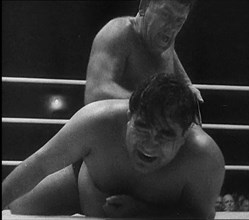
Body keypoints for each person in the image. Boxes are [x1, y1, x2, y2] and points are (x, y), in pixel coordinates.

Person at [2, 73, 225, 219]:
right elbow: (40, 164)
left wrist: (144, 212)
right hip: (82, 185)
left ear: (185, 135)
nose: (150, 143)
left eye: (165, 134)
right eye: (143, 126)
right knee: (17, 207)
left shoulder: (204, 158)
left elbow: (201, 217)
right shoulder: (97, 121)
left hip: (157, 213)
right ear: (129, 116)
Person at [84, 0, 203, 106]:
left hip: (153, 126)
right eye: (165, 15)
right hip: (118, 128)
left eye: (179, 21)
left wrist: (187, 85)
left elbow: (171, 55)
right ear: (144, 6)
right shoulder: (118, 32)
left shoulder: (163, 38)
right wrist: (152, 106)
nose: (171, 28)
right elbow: (95, 93)